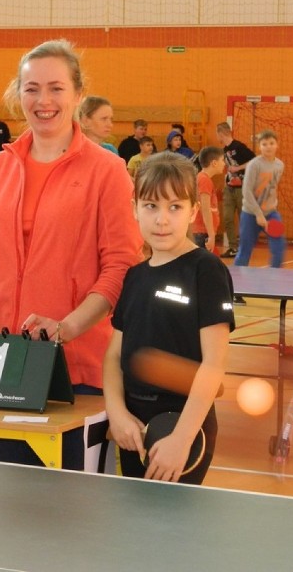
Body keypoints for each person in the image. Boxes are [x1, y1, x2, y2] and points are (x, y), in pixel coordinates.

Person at [0, 39, 143, 470]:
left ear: (78, 94)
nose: (44, 100)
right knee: (10, 506)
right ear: (17, 94)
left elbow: (120, 268)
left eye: (56, 88)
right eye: (32, 88)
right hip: (1, 365)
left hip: (78, 371)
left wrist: (67, 328)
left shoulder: (107, 171)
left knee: (74, 511)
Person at [103, 152, 234, 485]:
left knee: (168, 531)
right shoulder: (134, 276)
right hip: (133, 427)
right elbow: (115, 356)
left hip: (182, 424)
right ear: (134, 209)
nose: (162, 220)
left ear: (193, 212)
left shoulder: (206, 270)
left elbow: (213, 363)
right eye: (151, 206)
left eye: (174, 207)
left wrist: (181, 439)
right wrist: (118, 416)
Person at [234, 130, 286, 269]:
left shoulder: (280, 165)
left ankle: (274, 278)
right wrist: (258, 213)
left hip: (271, 213)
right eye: (264, 144)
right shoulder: (254, 165)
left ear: (277, 145)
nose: (268, 147)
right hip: (250, 213)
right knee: (244, 251)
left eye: (271, 143)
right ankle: (234, 284)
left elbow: (272, 187)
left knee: (279, 249)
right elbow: (246, 191)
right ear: (259, 147)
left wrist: (269, 208)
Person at [216, 121, 255, 259]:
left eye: (217, 134)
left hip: (241, 188)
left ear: (222, 133)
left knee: (243, 218)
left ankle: (246, 247)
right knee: (227, 218)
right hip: (229, 187)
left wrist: (238, 168)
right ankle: (233, 247)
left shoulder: (238, 146)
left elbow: (254, 160)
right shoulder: (224, 150)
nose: (217, 137)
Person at [191, 146, 226, 254]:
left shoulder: (204, 179)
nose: (224, 164)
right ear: (214, 163)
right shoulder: (204, 180)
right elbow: (205, 208)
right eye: (223, 160)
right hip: (202, 232)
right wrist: (211, 235)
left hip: (203, 232)